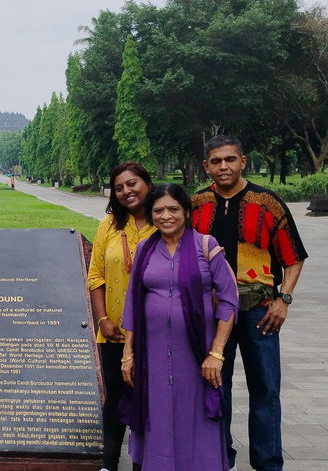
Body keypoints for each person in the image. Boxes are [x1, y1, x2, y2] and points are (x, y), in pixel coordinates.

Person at [191, 135, 307, 471]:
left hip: (260, 312)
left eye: (230, 159)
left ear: (243, 161)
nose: (223, 166)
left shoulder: (267, 202)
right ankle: (217, 460)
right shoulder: (196, 205)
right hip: (212, 314)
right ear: (206, 166)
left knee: (265, 390)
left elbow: (293, 257)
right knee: (214, 387)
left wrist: (283, 299)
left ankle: (268, 463)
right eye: (216, 161)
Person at [120, 183, 239, 471]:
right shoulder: (145, 251)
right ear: (151, 215)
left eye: (173, 209)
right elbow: (133, 304)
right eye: (158, 210)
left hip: (197, 353)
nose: (166, 216)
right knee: (158, 412)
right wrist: (128, 353)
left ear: (186, 211)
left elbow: (228, 301)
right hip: (154, 355)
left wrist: (217, 353)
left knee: (196, 415)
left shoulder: (206, 246)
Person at [88, 162, 156, 471]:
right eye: (119, 187)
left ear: (147, 183)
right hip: (113, 330)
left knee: (150, 395)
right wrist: (102, 319)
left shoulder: (165, 220)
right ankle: (108, 463)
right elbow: (96, 277)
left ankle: (146, 462)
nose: (127, 191)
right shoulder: (108, 225)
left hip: (156, 329)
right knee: (115, 395)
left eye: (132, 183)